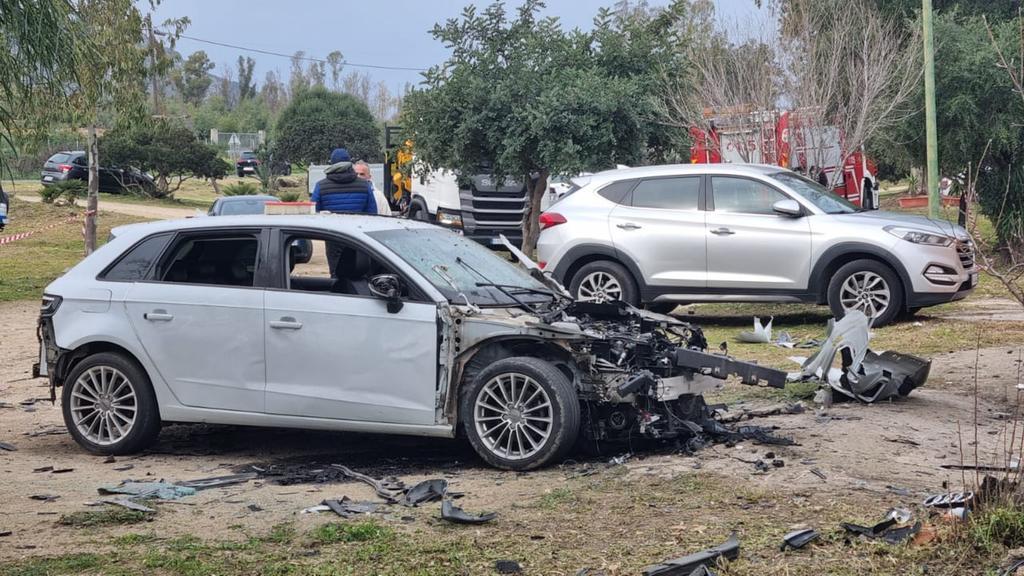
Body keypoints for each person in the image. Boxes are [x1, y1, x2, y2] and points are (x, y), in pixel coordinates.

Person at [311, 148, 377, 277]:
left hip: (333, 238)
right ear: (349, 163)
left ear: (331, 164)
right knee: (359, 276)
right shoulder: (364, 185)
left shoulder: (321, 186)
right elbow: (372, 215)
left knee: (336, 275)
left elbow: (313, 212)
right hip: (359, 239)